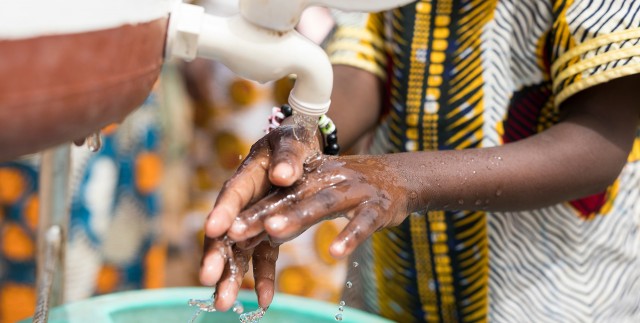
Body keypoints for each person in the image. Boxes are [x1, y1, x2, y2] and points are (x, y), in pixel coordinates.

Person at [200, 1, 640, 322]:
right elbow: (365, 58)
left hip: (549, 301)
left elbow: (598, 139)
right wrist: (305, 138)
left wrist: (401, 180)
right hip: (395, 296)